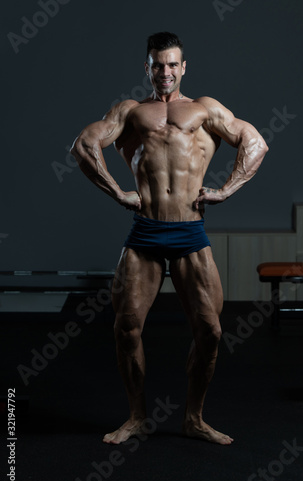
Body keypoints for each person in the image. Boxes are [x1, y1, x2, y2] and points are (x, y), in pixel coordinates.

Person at [71, 32, 268, 446]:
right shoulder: (129, 112)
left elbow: (254, 141)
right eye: (157, 65)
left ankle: (193, 418)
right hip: (144, 232)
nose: (165, 72)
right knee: (126, 328)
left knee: (211, 332)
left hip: (189, 232)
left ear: (184, 67)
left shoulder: (204, 109)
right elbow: (85, 144)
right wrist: (117, 192)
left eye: (172, 64)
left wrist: (226, 190)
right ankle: (137, 417)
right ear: (147, 67)